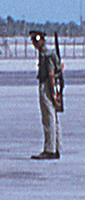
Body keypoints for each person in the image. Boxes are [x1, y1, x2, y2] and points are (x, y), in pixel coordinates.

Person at [32, 30, 64, 159]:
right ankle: (54, 147)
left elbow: (51, 74)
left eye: (37, 40)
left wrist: (53, 92)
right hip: (46, 84)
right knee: (52, 117)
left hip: (47, 85)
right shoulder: (44, 54)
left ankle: (50, 149)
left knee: (49, 117)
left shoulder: (47, 55)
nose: (35, 43)